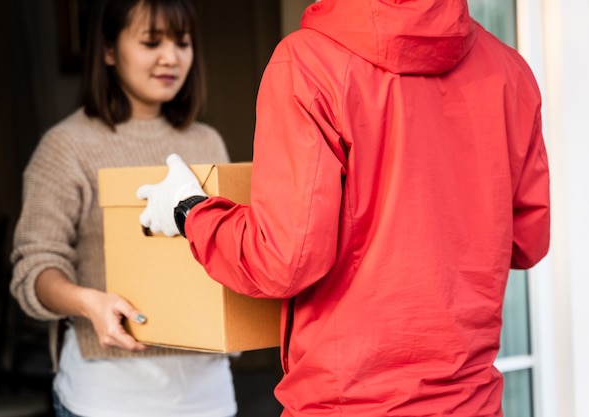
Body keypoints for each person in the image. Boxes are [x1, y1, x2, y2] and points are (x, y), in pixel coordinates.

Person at [137, 0, 550, 416]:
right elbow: (527, 241)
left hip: (347, 403)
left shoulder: (308, 63)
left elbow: (284, 259)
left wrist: (190, 211)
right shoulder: (509, 71)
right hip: (471, 404)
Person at [9, 0, 237, 416]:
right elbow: (35, 268)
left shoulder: (208, 143)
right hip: (109, 393)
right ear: (109, 51)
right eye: (152, 42)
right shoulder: (66, 147)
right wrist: (88, 302)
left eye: (183, 43)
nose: (171, 57)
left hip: (208, 391)